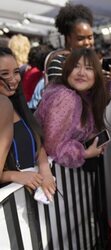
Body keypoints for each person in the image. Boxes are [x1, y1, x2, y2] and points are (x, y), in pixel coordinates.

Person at [35, 48, 109, 168]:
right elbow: (52, 147)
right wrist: (85, 153)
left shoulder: (84, 95)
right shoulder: (65, 97)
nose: (81, 73)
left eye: (89, 68)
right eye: (76, 66)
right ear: (67, 70)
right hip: (53, 178)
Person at [0, 47, 55, 200]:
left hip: (26, 204)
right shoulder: (3, 104)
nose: (13, 79)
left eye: (16, 72)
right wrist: (14, 176)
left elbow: (35, 141)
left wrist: (45, 169)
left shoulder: (15, 103)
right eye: (4, 74)